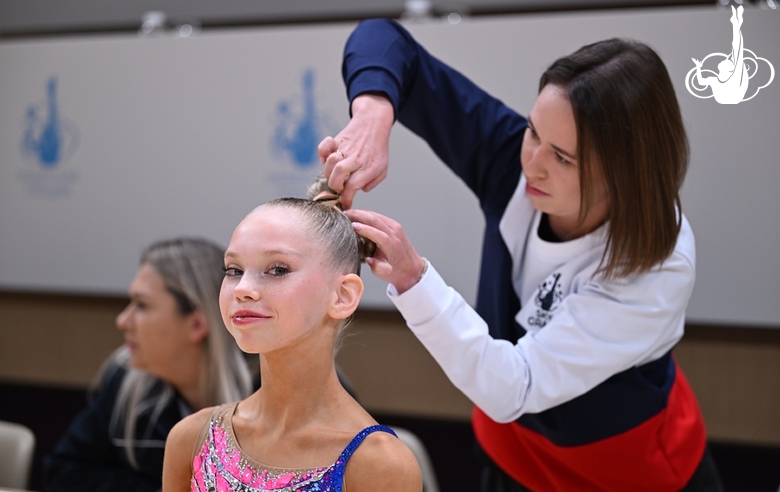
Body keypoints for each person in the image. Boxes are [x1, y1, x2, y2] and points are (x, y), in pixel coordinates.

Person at [317, 18, 724, 491]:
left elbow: (514, 385)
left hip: (623, 471)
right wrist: (373, 114)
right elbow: (382, 39)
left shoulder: (658, 267)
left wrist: (413, 280)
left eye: (563, 158)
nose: (531, 163)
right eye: (533, 132)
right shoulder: (513, 160)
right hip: (511, 457)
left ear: (624, 174)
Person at [161, 178, 421, 492]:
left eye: (278, 269)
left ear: (342, 296)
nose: (242, 289)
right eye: (233, 270)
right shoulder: (191, 439)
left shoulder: (378, 464)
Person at [45, 238, 255, 492]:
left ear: (197, 324)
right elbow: (64, 471)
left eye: (142, 305)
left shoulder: (267, 391)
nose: (123, 321)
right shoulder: (126, 381)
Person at [693, 5, 748, 104]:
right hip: (726, 99)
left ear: (730, 69)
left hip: (733, 97)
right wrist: (698, 67)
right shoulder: (714, 80)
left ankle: (736, 24)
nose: (725, 59)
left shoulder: (735, 78)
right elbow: (701, 82)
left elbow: (737, 49)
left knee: (737, 50)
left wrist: (736, 26)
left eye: (728, 61)